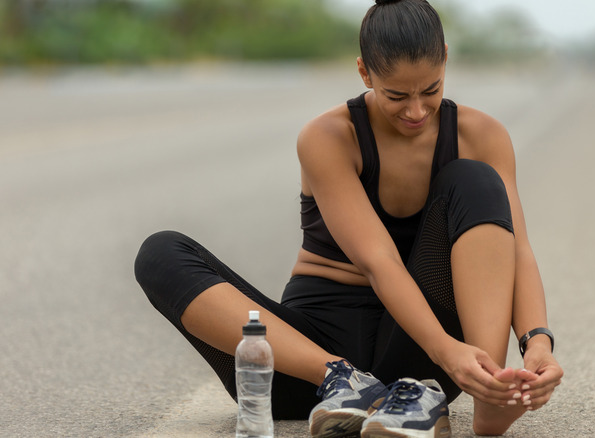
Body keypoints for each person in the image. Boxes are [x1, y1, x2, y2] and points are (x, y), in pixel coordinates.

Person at [134, 0, 563, 436]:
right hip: (307, 368)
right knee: (159, 253)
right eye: (396, 95)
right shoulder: (329, 137)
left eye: (430, 90)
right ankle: (347, 381)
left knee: (476, 178)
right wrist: (446, 353)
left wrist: (537, 344)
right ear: (364, 73)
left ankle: (490, 389)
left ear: (446, 59)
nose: (415, 111)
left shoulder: (480, 134)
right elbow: (379, 263)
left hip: (420, 364)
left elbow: (518, 252)